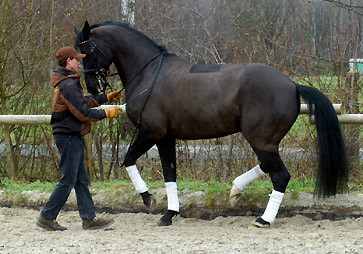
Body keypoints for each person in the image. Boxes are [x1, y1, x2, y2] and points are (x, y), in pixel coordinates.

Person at [36, 46, 122, 231]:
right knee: (68, 179)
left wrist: (105, 97)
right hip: (68, 136)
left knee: (81, 179)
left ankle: (88, 218)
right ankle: (47, 216)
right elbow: (82, 112)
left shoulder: (68, 83)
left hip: (70, 134)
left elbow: (83, 102)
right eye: (76, 59)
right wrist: (106, 114)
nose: (79, 62)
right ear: (68, 61)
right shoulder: (67, 85)